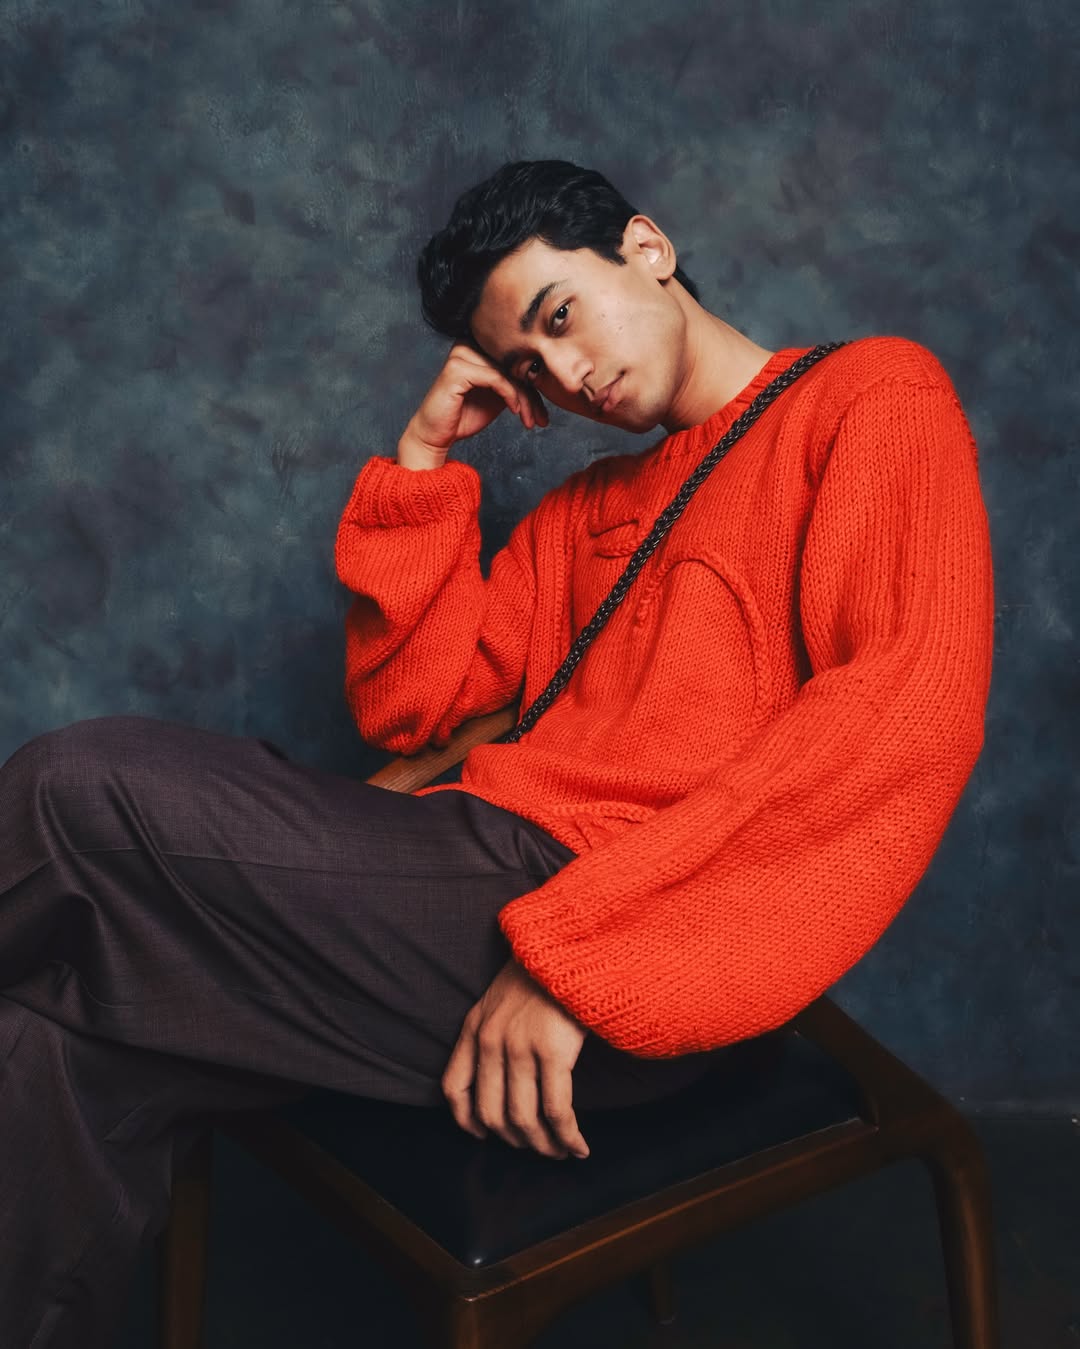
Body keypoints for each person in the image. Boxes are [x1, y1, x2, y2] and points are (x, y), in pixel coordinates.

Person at [0, 159, 994, 1348]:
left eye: (560, 317)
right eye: (528, 366)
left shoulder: (868, 396)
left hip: (625, 940)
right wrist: (425, 460)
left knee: (75, 792)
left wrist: (579, 951)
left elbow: (897, 716)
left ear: (648, 248)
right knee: (56, 1043)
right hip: (465, 878)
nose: (565, 377)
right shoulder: (586, 513)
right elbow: (413, 711)